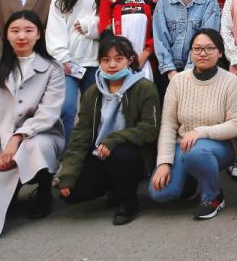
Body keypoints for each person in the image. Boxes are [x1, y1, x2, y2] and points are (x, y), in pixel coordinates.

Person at [0, 11, 65, 240]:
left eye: (28, 30)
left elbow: (48, 113)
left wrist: (18, 137)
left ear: (39, 35)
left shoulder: (53, 69)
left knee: (35, 147)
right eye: (15, 31)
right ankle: (9, 191)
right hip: (1, 143)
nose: (22, 36)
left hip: (42, 135)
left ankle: (43, 191)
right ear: (7, 36)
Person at [57, 36, 160, 226]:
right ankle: (114, 186)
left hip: (133, 154)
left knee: (121, 155)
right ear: (99, 62)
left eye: (118, 59)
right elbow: (81, 135)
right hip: (100, 153)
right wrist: (68, 174)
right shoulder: (92, 93)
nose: (112, 65)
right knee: (71, 194)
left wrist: (114, 139)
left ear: (130, 60)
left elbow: (149, 129)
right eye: (106, 60)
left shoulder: (145, 88)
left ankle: (128, 201)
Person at [149, 29, 237, 219]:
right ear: (191, 52)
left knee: (195, 152)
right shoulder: (178, 82)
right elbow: (168, 126)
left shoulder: (231, 82)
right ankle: (191, 178)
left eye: (209, 48)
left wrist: (200, 132)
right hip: (182, 145)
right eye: (197, 48)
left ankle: (213, 196)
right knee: (160, 193)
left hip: (221, 146)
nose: (203, 53)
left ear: (220, 52)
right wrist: (164, 162)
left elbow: (235, 125)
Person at [46, 0, 112, 139]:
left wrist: (90, 25)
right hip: (69, 61)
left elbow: (114, 21)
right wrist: (62, 56)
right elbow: (55, 20)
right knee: (65, 109)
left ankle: (87, 152)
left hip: (99, 61)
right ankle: (65, 151)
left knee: (94, 112)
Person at [153, 0, 222, 83]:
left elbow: (209, 36)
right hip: (169, 73)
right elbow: (160, 37)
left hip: (200, 70)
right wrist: (170, 70)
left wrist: (190, 69)